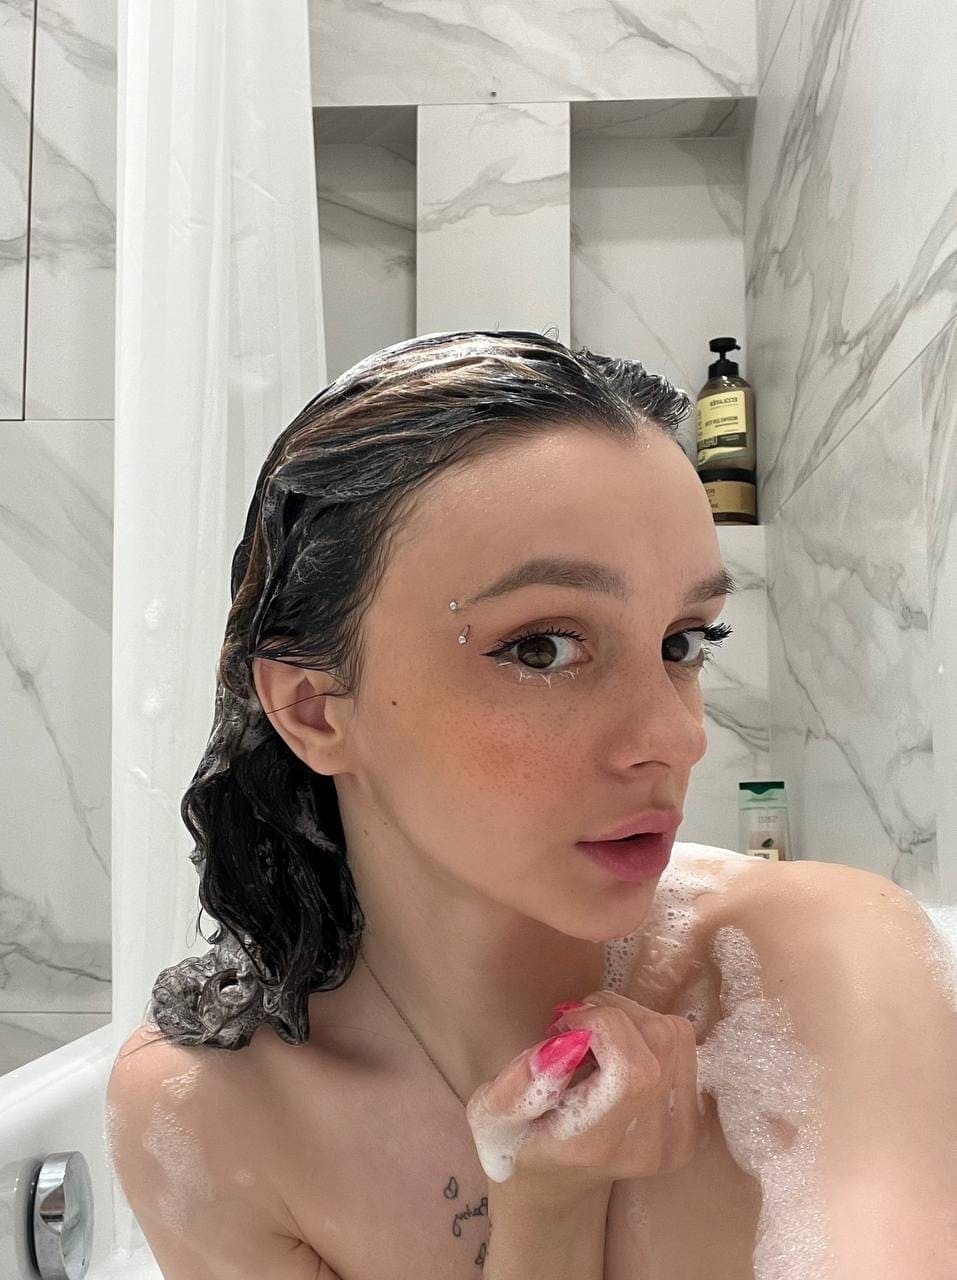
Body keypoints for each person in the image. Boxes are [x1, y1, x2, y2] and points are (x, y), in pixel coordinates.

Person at [106, 330, 957, 1280]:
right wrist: (546, 1214)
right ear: (314, 709)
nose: (676, 737)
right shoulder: (210, 1115)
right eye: (541, 648)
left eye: (682, 642)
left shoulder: (819, 969)